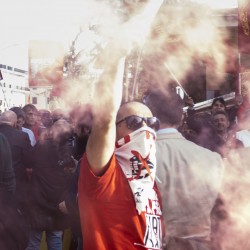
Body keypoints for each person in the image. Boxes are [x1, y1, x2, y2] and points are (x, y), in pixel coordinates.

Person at [77, 38, 164, 249]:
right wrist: (119, 50)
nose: (145, 129)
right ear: (115, 131)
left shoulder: (150, 183)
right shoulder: (103, 173)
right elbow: (105, 117)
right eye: (134, 122)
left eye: (152, 123)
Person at [145, 89, 224, 250]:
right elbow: (222, 212)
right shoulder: (212, 158)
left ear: (150, 117)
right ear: (182, 117)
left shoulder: (141, 157)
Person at [26, 118, 76, 250]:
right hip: (59, 201)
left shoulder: (42, 145)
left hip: (38, 198)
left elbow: (29, 161)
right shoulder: (71, 150)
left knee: (34, 240)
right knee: (55, 237)